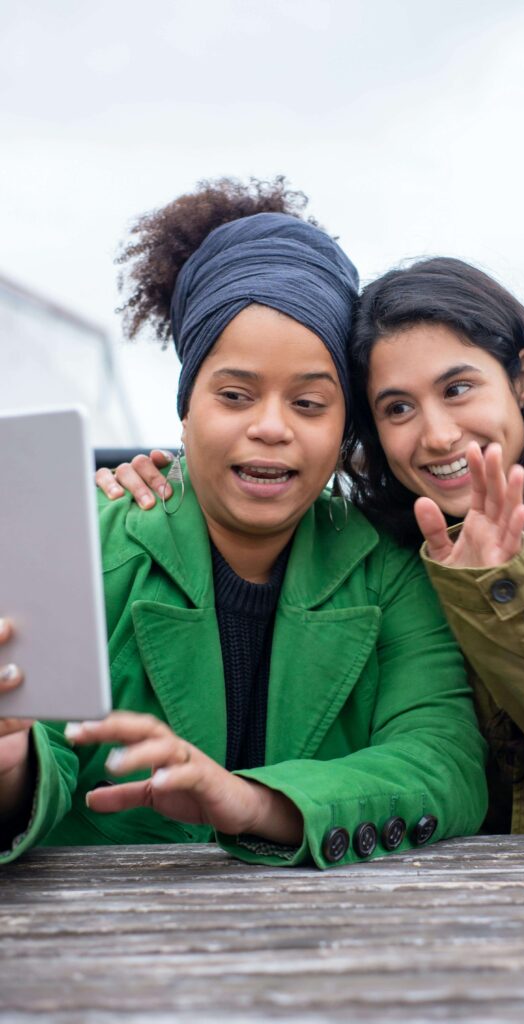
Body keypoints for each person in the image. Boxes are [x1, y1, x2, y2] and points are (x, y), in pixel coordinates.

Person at [0, 181, 487, 867]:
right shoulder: (84, 543)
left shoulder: (392, 566)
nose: (270, 427)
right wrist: (11, 761)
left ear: (346, 425)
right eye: (234, 395)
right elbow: (38, 736)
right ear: (185, 407)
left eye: (310, 403)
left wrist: (255, 803)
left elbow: (442, 762)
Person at [113, 251, 524, 836]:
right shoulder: (389, 546)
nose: (437, 435)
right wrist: (171, 479)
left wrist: (505, 587)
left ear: (522, 377)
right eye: (398, 408)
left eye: (458, 388)